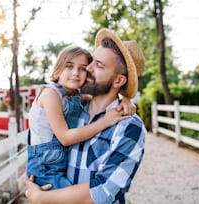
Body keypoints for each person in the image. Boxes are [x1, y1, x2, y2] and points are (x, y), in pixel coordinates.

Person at [24, 28, 146, 204]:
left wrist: (42, 197)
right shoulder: (72, 110)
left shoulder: (128, 125)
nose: (87, 69)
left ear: (119, 81)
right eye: (92, 62)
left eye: (98, 65)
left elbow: (103, 191)